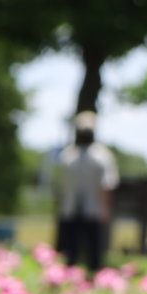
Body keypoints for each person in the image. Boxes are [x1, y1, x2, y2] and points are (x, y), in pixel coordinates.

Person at [53, 111, 118, 272]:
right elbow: (106, 185)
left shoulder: (68, 155)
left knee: (80, 252)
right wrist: (106, 208)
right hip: (86, 209)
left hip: (82, 209)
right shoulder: (101, 156)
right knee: (83, 251)